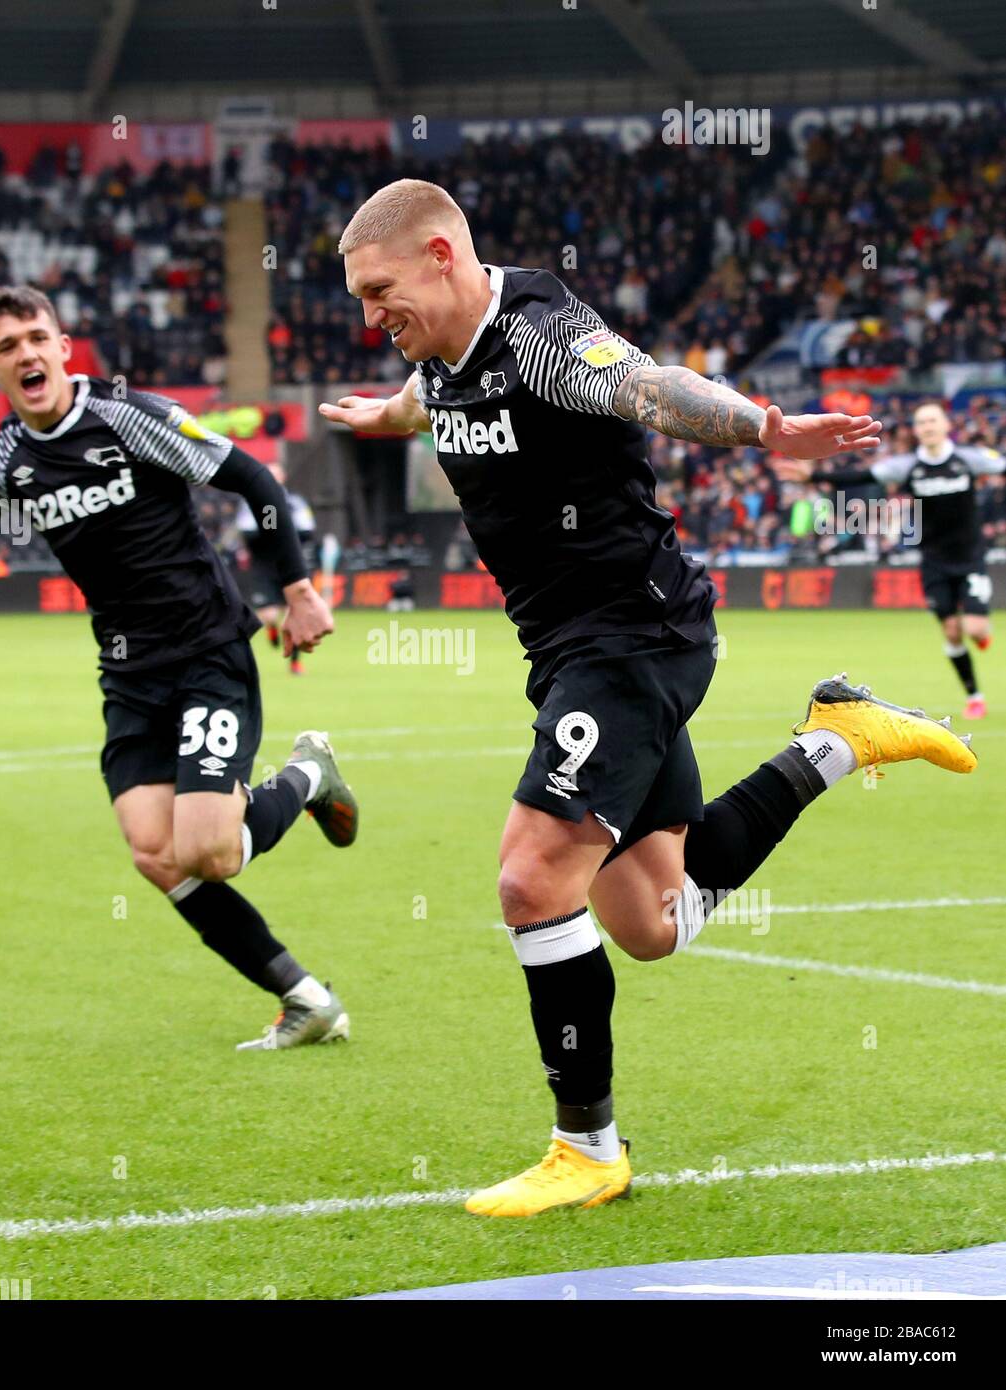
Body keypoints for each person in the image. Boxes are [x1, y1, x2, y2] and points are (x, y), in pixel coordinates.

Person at [320, 179, 976, 1217]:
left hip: (630, 641)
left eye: (377, 291)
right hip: (577, 652)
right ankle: (836, 739)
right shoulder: (438, 360)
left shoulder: (537, 333)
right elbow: (436, 399)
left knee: (531, 880)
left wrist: (765, 429)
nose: (368, 317)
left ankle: (586, 1147)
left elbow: (647, 389)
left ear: (442, 255)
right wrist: (387, 414)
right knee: (652, 921)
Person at [0, 284, 358, 1051]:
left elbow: (253, 481)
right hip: (130, 674)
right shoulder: (3, 460)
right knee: (155, 854)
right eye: (7, 347)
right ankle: (305, 1000)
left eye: (37, 337)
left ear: (64, 347)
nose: (26, 354)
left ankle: (307, 774)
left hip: (206, 652)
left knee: (209, 851)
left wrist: (297, 592)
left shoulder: (129, 417)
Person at [778, 401, 1004, 719]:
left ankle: (981, 635)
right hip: (934, 560)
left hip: (970, 558)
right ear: (916, 430)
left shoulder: (970, 459)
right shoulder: (906, 466)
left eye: (932, 420)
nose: (927, 426)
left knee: (976, 629)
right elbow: (860, 475)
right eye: (921, 422)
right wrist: (814, 476)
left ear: (945, 425)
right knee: (952, 632)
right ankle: (975, 696)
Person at [234, 463, 317, 675]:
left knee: (295, 613)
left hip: (289, 564)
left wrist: (284, 530)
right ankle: (272, 629)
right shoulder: (254, 501)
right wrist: (273, 525)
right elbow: (254, 531)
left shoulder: (294, 502)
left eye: (276, 474)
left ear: (283, 476)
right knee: (269, 615)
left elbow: (307, 529)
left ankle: (295, 662)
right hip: (264, 566)